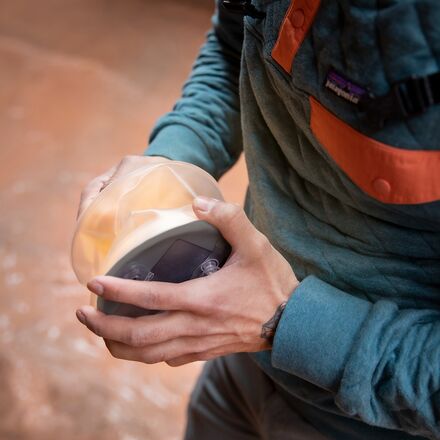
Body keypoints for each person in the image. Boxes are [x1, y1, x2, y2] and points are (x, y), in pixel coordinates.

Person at [75, 1, 440, 439]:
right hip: (238, 347)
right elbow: (235, 46)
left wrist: (285, 320)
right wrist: (169, 163)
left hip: (369, 420)